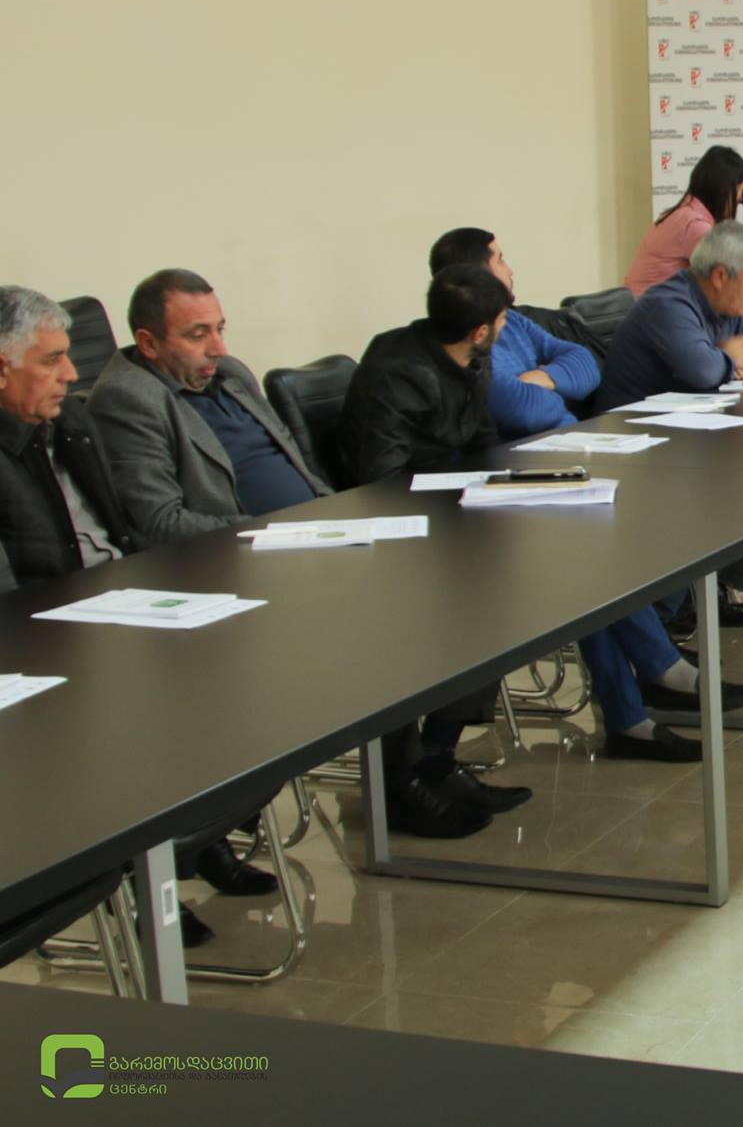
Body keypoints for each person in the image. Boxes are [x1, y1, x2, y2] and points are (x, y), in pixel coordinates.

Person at [0, 286, 277, 938]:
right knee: (146, 720)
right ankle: (147, 878)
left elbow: (120, 528)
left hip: (119, 602)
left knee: (241, 682)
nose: (72, 374)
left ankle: (198, 843)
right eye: (52, 360)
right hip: (56, 640)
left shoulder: (69, 422)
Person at [428, 228, 743, 757]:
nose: (511, 268)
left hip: (561, 466)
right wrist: (548, 385)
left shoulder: (517, 322)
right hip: (510, 489)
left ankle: (635, 713)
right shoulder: (469, 339)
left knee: (593, 572)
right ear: (475, 277)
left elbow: (586, 365)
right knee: (593, 564)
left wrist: (542, 378)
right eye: (501, 259)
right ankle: (656, 676)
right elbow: (517, 409)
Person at [338, 265, 533, 838]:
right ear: (481, 330)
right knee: (456, 615)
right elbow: (382, 476)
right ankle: (404, 785)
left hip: (448, 516)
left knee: (502, 607)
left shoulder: (473, 358)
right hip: (390, 529)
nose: (504, 330)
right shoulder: (400, 369)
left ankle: (437, 761)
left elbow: (482, 438)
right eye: (502, 321)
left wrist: (504, 489)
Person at [594, 221, 743, 616]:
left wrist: (728, 358)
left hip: (690, 430)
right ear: (720, 276)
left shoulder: (728, 305)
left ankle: (709, 591)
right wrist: (728, 358)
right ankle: (676, 606)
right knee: (742, 482)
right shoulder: (669, 304)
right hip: (637, 442)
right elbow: (700, 370)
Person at [88, 269, 331, 543]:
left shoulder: (230, 371)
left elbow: (301, 469)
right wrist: (272, 531)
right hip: (241, 550)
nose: (219, 349)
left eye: (220, 329)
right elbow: (160, 522)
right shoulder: (126, 399)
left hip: (315, 531)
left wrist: (334, 511)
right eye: (198, 335)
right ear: (149, 344)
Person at [625, 145, 743, 297]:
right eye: (741, 192)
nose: (740, 201)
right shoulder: (693, 225)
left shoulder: (685, 214)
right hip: (656, 310)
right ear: (725, 191)